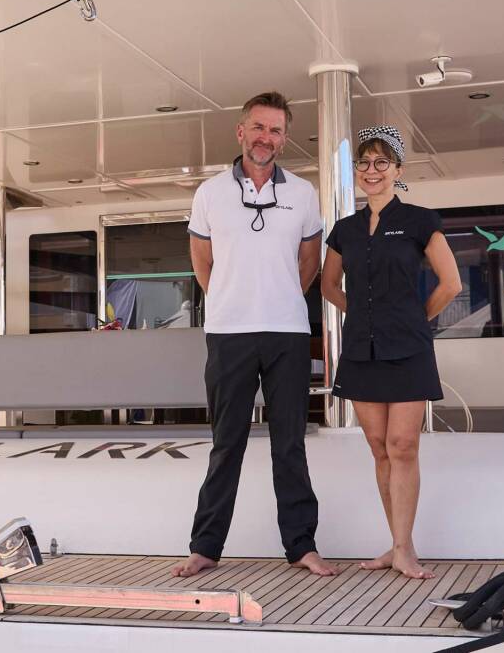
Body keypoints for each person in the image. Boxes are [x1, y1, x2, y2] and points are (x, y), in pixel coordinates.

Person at [172, 92, 338, 578]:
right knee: (227, 443)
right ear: (241, 131)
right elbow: (202, 262)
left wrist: (278, 297)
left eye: (276, 130)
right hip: (229, 333)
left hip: (287, 333)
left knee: (290, 443)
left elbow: (308, 262)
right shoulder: (210, 193)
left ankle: (301, 546)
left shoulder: (303, 193)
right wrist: (233, 298)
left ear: (284, 139)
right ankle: (205, 546)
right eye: (259, 127)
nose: (267, 137)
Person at [320, 125, 462, 580]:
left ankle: (403, 548)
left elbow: (451, 284)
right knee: (379, 447)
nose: (372, 170)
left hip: (408, 349)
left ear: (398, 169)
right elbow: (328, 285)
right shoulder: (344, 230)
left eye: (382, 162)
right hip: (361, 349)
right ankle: (398, 544)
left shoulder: (420, 220)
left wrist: (414, 319)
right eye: (364, 163)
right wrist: (364, 314)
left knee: (403, 445)